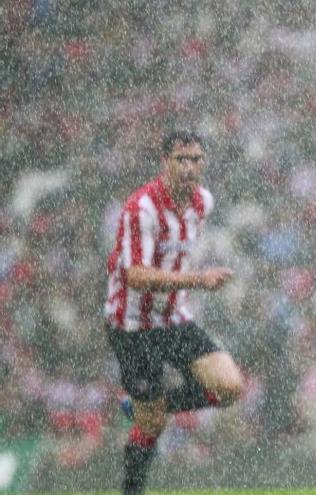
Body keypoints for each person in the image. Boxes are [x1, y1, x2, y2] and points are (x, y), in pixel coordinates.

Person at [103, 130, 244, 495]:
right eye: (181, 159)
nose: (189, 167)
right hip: (132, 325)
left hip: (173, 318)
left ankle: (151, 405)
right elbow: (135, 275)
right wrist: (197, 280)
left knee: (230, 387)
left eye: (196, 159)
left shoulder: (203, 202)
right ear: (164, 162)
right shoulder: (142, 208)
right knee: (152, 425)